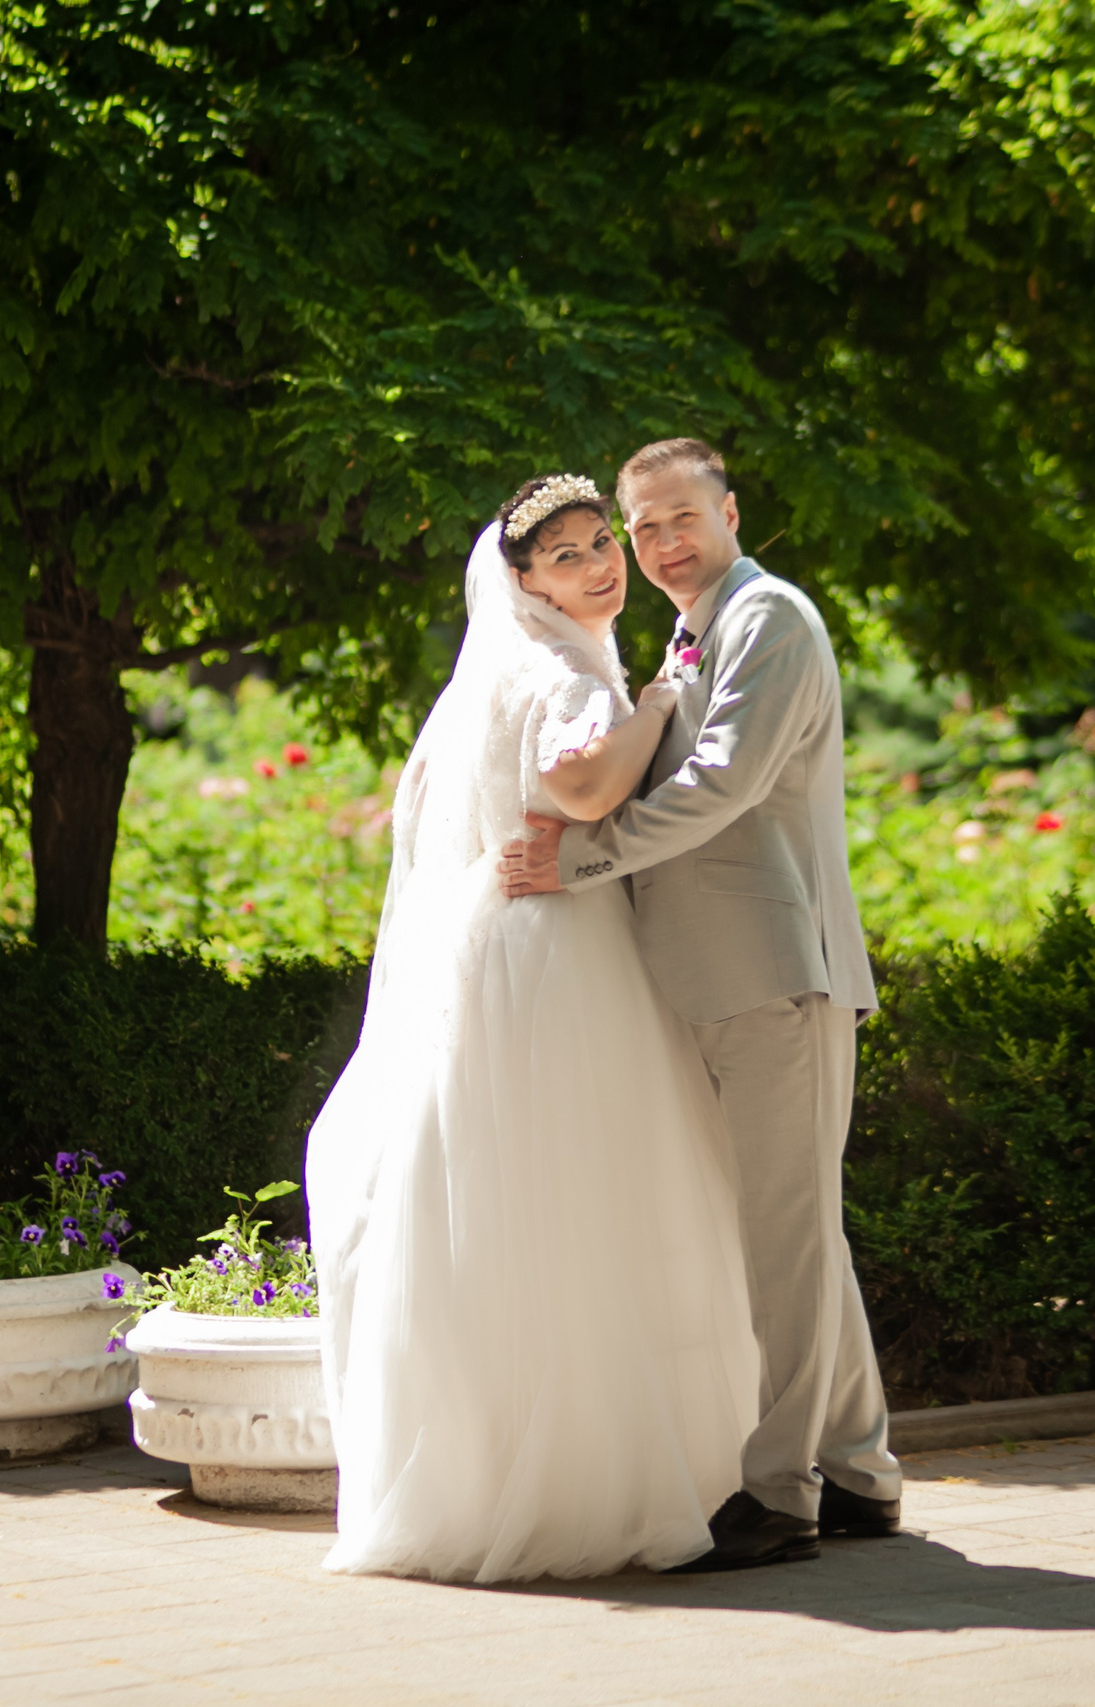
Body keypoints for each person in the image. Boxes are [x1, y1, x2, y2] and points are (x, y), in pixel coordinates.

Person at [306, 474, 760, 1583]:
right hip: (554, 953)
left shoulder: (522, 665)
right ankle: (588, 1489)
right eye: (566, 556)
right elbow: (584, 787)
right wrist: (654, 707)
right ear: (521, 583)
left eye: (603, 542)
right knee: (586, 1206)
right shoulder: (561, 671)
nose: (601, 563)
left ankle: (514, 1472)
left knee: (524, 1212)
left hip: (509, 942)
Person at [499, 437, 902, 1573]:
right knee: (797, 1230)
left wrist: (580, 860)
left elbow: (722, 783)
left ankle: (780, 1493)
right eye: (646, 528)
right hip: (726, 972)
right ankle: (862, 1471)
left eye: (683, 518)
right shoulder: (691, 628)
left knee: (784, 1238)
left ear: (729, 510)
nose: (664, 542)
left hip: (776, 969)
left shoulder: (769, 619)